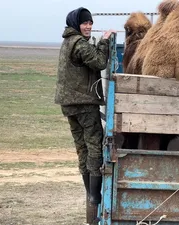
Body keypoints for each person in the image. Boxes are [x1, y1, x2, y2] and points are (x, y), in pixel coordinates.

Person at [54, 6, 116, 224]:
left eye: (90, 23)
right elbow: (99, 62)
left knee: (81, 147)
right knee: (94, 145)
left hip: (69, 104)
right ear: (75, 24)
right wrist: (105, 40)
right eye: (84, 23)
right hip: (83, 103)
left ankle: (89, 192)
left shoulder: (67, 42)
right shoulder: (79, 43)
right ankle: (94, 194)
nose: (88, 26)